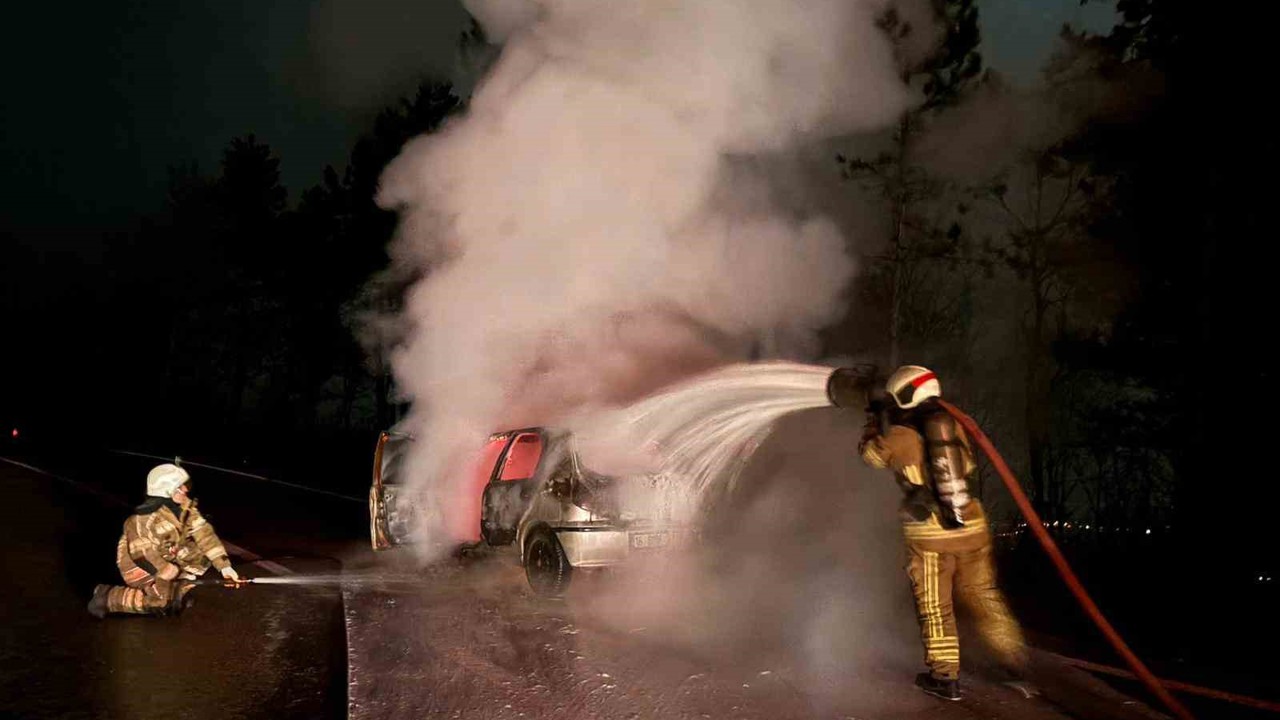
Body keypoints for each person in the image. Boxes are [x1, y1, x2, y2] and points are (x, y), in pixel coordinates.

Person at [858, 365, 1028, 701]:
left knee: (936, 605)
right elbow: (967, 467)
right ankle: (1013, 661)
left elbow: (871, 457)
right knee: (983, 594)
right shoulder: (955, 426)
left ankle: (945, 677)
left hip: (931, 532)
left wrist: (875, 423)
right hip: (972, 524)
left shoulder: (900, 435)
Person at [87, 463, 240, 618]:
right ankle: (108, 597)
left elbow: (205, 535)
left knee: (200, 555)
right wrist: (170, 574)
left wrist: (224, 567)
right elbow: (142, 556)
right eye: (181, 486)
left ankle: (176, 591)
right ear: (167, 491)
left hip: (166, 556)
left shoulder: (186, 509)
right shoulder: (142, 520)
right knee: (163, 602)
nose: (186, 490)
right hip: (139, 566)